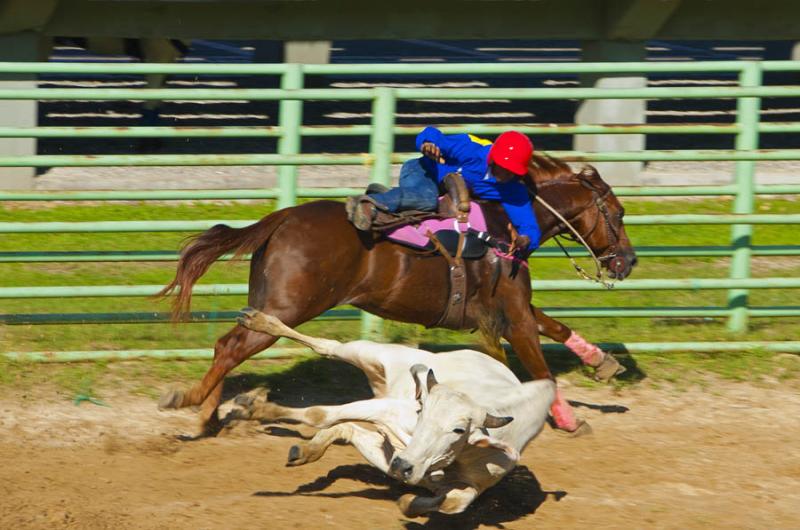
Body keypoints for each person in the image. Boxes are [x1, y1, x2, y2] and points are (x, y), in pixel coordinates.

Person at [346, 126, 541, 254]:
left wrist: (524, 241)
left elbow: (529, 227)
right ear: (493, 158)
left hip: (447, 194)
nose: (506, 174)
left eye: (512, 171)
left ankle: (393, 200)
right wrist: (427, 144)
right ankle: (369, 203)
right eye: (503, 167)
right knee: (428, 199)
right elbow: (430, 133)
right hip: (423, 172)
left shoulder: (513, 189)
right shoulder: (472, 149)